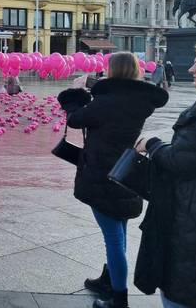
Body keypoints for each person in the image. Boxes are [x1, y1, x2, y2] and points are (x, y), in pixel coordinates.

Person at [57, 52, 168, 308]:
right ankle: (109, 279)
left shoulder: (108, 102)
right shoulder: (139, 100)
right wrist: (93, 89)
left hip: (102, 174)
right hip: (126, 173)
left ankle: (119, 297)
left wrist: (75, 94)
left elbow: (76, 119)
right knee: (119, 230)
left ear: (113, 71)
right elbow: (108, 102)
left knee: (113, 238)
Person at [134, 41, 196, 308]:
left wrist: (153, 145)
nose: (190, 69)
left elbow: (183, 160)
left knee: (182, 294)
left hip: (195, 221)